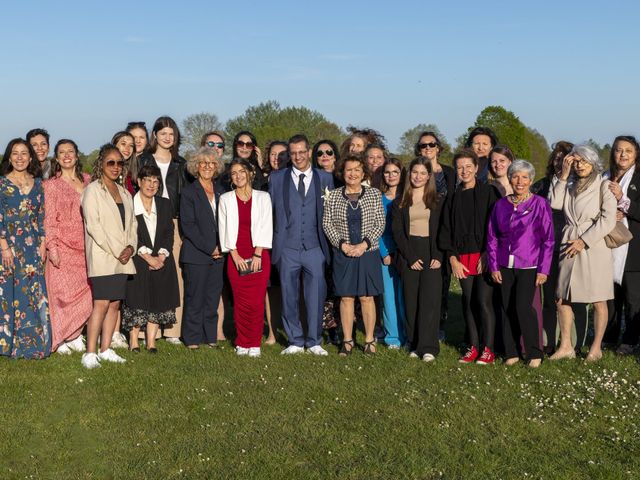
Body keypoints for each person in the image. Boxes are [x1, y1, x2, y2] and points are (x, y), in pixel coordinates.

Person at [549, 144, 616, 362]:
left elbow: (608, 220)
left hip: (593, 246)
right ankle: (566, 345)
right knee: (562, 298)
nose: (580, 165)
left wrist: (584, 241)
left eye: (584, 161)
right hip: (568, 242)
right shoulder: (568, 184)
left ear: (593, 162)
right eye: (576, 161)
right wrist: (563, 175)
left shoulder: (604, 185)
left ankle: (595, 348)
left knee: (598, 299)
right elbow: (554, 203)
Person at [270, 134, 334, 355]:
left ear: (308, 152)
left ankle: (314, 340)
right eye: (293, 153)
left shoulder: (325, 178)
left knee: (315, 294)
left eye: (301, 152)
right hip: (287, 247)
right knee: (289, 294)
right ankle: (295, 340)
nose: (297, 156)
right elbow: (271, 213)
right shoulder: (277, 178)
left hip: (315, 247)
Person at [487, 160, 554, 367]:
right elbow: (492, 237)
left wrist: (544, 269)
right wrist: (494, 266)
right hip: (505, 265)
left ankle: (534, 352)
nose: (520, 181)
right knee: (507, 307)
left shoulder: (540, 204)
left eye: (524, 177)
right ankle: (511, 352)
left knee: (523, 307)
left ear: (531, 180)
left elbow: (548, 240)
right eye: (515, 176)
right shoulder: (500, 205)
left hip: (530, 265)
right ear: (509, 178)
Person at [439, 149, 499, 364]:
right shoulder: (452, 198)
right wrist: (453, 259)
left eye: (468, 166)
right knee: (468, 302)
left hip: (485, 255)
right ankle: (472, 347)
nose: (464, 171)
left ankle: (488, 349)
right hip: (461, 257)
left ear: (476, 168)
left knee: (483, 301)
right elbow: (445, 231)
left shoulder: (489, 192)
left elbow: (496, 226)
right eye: (460, 167)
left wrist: (488, 254)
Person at [80, 144, 137, 368]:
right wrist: (118, 251)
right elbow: (94, 226)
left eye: (119, 163)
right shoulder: (93, 190)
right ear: (101, 165)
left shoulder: (124, 192)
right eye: (110, 163)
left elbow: (132, 225)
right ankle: (90, 353)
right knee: (101, 303)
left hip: (124, 256)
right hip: (104, 256)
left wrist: (130, 248)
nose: (115, 167)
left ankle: (106, 349)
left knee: (115, 304)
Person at [323, 155, 385, 355]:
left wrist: (364, 244)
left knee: (367, 297)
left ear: (363, 173)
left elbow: (380, 222)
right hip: (344, 253)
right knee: (346, 297)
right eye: (349, 170)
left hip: (368, 253)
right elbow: (327, 223)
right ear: (342, 173)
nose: (353, 173)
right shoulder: (332, 196)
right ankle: (347, 340)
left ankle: (369, 340)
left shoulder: (374, 194)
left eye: (357, 169)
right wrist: (342, 245)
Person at [531, 141, 589, 354]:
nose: (560, 162)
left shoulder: (581, 186)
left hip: (572, 247)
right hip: (547, 249)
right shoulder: (541, 185)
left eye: (566, 159)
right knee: (550, 299)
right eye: (556, 158)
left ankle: (577, 342)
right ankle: (549, 341)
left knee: (576, 299)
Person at [139, 116, 189, 345]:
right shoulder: (142, 160)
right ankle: (144, 331)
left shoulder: (182, 163)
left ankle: (171, 330)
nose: (168, 138)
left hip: (173, 221)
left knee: (173, 275)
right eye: (163, 133)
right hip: (147, 218)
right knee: (146, 273)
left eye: (172, 134)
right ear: (155, 135)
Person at [0, 139, 50, 359]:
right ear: (9, 157)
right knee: (9, 294)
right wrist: (4, 247)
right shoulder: (1, 184)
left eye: (24, 153)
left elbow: (41, 217)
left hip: (31, 247)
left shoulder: (38, 183)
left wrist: (42, 244)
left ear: (31, 157)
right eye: (15, 154)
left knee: (31, 293)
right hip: (7, 247)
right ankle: (6, 344)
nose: (19, 158)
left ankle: (31, 345)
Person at [122, 165, 180, 353]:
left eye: (156, 181)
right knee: (137, 298)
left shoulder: (164, 204)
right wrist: (148, 258)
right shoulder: (129, 203)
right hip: (138, 258)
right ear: (139, 182)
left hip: (162, 259)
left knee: (158, 298)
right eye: (147, 180)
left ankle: (152, 341)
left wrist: (162, 256)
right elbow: (128, 234)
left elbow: (169, 232)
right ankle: (134, 341)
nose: (151, 184)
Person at [392, 157, 444, 361]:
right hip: (409, 253)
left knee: (429, 301)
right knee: (411, 301)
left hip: (432, 253)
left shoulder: (438, 200)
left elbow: (442, 230)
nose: (418, 177)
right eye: (415, 172)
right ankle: (414, 344)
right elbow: (397, 232)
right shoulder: (400, 201)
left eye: (423, 173)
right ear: (409, 174)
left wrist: (438, 256)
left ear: (429, 176)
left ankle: (429, 347)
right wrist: (410, 256)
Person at [219, 159, 273, 357]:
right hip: (236, 256)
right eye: (234, 173)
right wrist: (235, 255)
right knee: (241, 302)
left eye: (242, 171)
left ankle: (254, 343)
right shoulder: (225, 199)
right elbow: (223, 229)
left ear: (250, 173)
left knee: (257, 302)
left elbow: (267, 225)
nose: (238, 175)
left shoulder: (263, 197)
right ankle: (242, 342)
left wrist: (258, 252)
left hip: (259, 254)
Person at [44, 139, 92, 355]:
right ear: (56, 158)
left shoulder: (89, 182)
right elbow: (48, 220)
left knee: (86, 293)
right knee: (62, 295)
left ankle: (74, 334)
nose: (66, 155)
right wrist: (51, 247)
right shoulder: (51, 186)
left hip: (87, 245)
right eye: (61, 152)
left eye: (70, 151)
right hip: (62, 246)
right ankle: (62, 337)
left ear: (77, 155)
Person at [179, 147, 224, 349]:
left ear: (217, 167)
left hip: (220, 254)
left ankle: (210, 337)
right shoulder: (189, 192)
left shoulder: (223, 191)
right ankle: (192, 338)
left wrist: (221, 248)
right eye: (203, 163)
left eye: (211, 163)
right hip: (197, 254)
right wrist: (210, 248)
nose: (207, 167)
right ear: (196, 167)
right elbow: (188, 226)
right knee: (195, 298)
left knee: (212, 298)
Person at [415, 131, 455, 341]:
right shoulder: (416, 172)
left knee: (442, 281)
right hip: (421, 232)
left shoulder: (450, 173)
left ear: (439, 147)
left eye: (432, 144)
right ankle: (420, 326)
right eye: (423, 146)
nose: (428, 148)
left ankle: (439, 325)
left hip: (445, 230)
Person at [602, 136, 640, 355]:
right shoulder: (604, 177)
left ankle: (630, 339)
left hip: (633, 248)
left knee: (633, 297)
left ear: (636, 154)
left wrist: (623, 202)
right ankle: (609, 336)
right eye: (618, 150)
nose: (623, 155)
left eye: (628, 151)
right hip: (607, 246)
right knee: (610, 296)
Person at [200, 130, 229, 341]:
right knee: (200, 289)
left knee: (218, 290)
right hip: (202, 241)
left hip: (225, 240)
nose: (215, 148)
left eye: (220, 145)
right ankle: (199, 330)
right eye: (211, 143)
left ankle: (217, 330)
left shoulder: (227, 178)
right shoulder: (193, 172)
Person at [379, 159, 406, 348]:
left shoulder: (408, 197)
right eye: (387, 172)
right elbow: (375, 228)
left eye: (395, 172)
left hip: (405, 251)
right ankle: (393, 337)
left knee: (405, 295)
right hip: (386, 251)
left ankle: (408, 334)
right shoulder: (378, 198)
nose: (391, 175)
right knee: (389, 297)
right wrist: (383, 252)